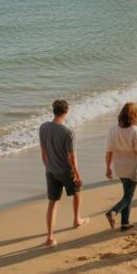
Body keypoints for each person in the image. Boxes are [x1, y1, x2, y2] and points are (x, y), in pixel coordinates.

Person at [39, 99, 87, 247]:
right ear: (66, 112)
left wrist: (47, 165)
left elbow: (43, 151)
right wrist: (77, 174)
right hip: (65, 170)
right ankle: (77, 219)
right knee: (78, 191)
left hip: (50, 170)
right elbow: (71, 157)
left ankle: (50, 237)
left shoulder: (43, 127)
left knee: (52, 203)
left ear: (54, 112)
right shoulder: (68, 132)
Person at [104, 102, 137, 231]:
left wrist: (108, 167)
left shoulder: (113, 130)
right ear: (134, 115)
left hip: (119, 166)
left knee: (127, 193)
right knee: (128, 196)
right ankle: (113, 212)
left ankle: (125, 223)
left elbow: (109, 151)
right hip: (132, 167)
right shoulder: (136, 131)